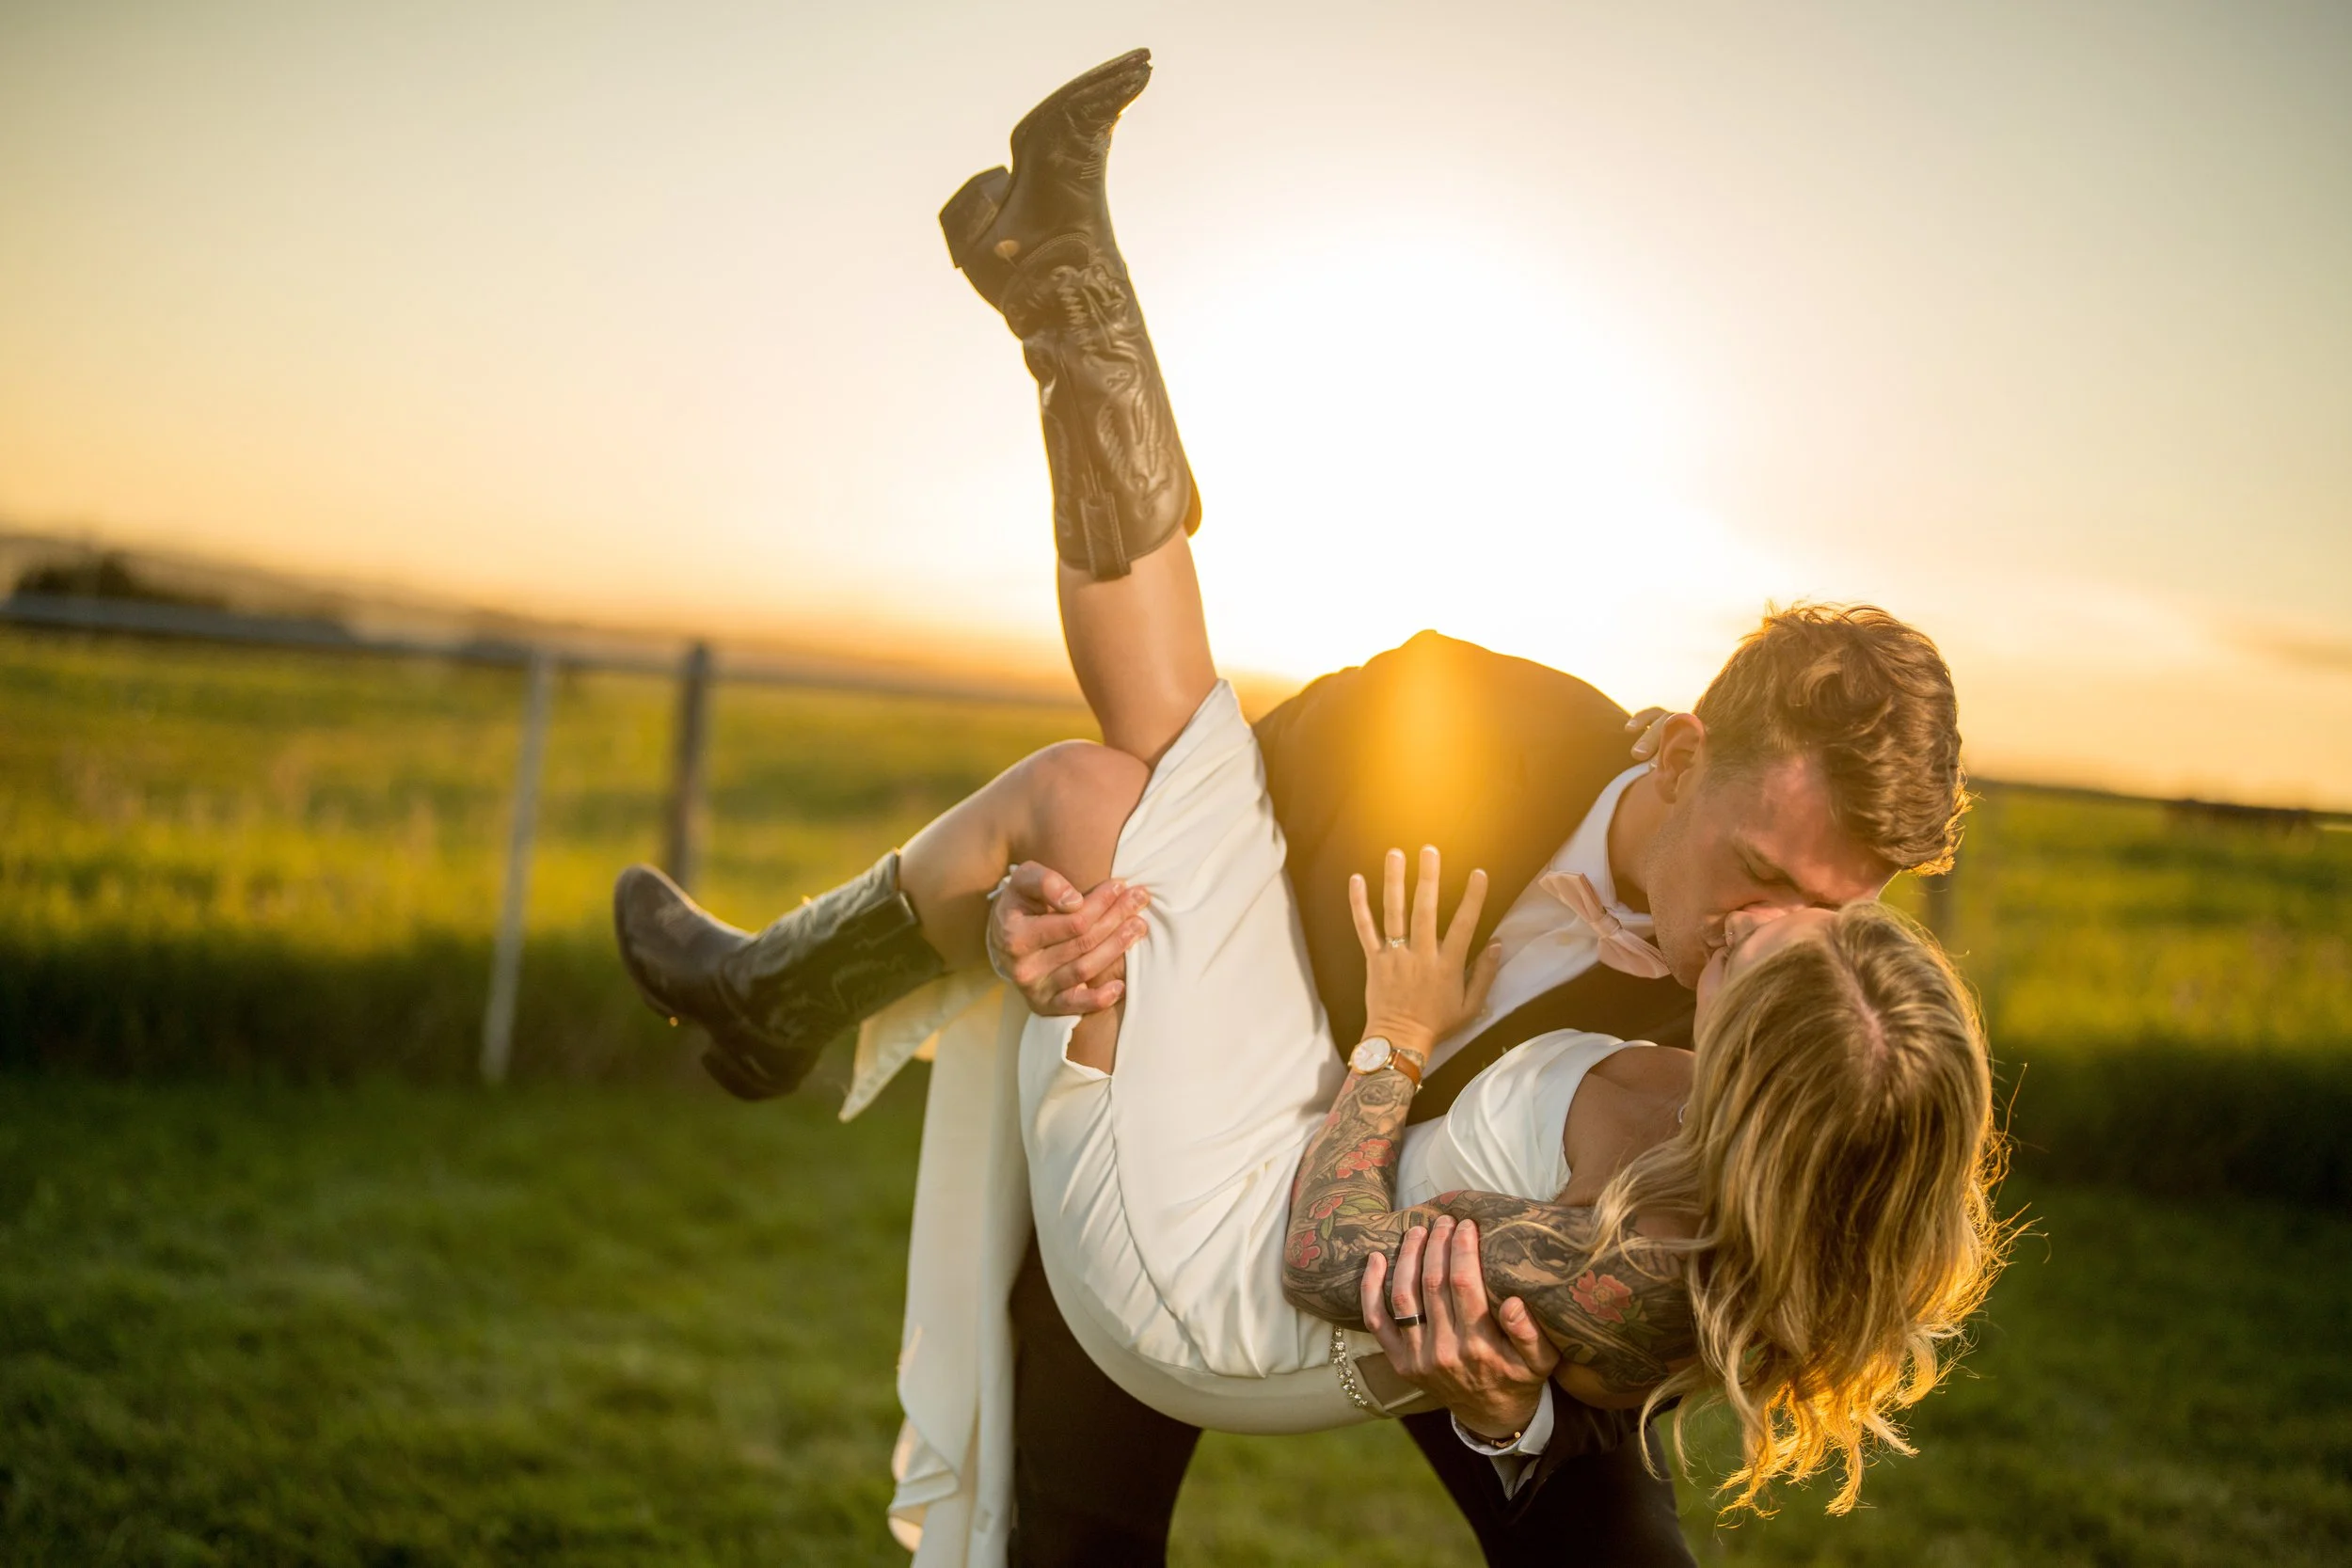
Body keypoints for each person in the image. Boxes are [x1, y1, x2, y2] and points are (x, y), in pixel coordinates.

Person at [612, 50, 2000, 1567]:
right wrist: (1044, 924)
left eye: (1832, 907)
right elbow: (1190, 833)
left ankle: (780, 983)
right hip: (1236, 1139)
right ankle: (1068, 308)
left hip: (1441, 1284)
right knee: (1106, 785)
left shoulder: (1786, 1022)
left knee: (1603, 1535)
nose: (1778, 933)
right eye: (1761, 869)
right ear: (1676, 753)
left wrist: (1513, 1409)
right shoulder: (1462, 710)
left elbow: (1701, 1285)